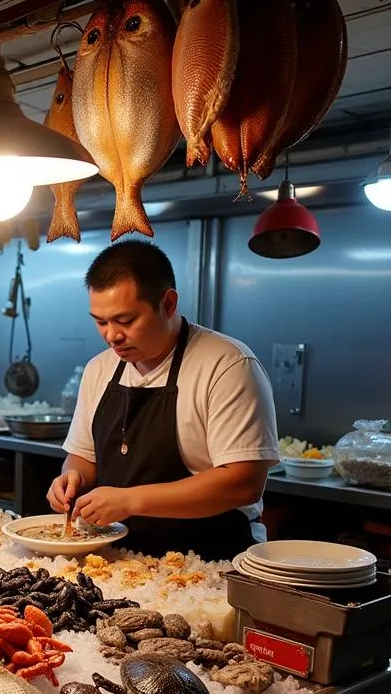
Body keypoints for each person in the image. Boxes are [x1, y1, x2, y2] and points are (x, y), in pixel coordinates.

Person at [46, 240, 279, 562]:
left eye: (125, 321)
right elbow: (83, 457)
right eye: (101, 322)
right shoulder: (100, 368)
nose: (112, 335)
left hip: (207, 561)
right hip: (117, 560)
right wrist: (72, 477)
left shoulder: (227, 364)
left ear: (168, 303)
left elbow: (242, 483)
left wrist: (130, 500)